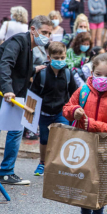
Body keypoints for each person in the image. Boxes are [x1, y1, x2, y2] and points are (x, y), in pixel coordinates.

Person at [0, 15, 53, 185]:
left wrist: (33, 70)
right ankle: (6, 172)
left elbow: (18, 69)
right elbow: (6, 64)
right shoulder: (19, 40)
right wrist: (8, 91)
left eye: (49, 33)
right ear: (33, 29)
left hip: (2, 89)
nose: (47, 37)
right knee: (14, 128)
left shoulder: (28, 44)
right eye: (44, 32)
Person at [63, 52, 107, 214]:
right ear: (91, 72)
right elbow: (67, 108)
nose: (102, 79)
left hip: (104, 147)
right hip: (82, 144)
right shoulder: (82, 91)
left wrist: (92, 125)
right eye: (98, 74)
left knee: (100, 184)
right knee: (84, 182)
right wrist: (73, 111)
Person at [30, 42, 77, 176]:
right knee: (44, 139)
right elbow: (33, 94)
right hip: (44, 113)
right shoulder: (42, 74)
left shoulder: (68, 73)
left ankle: (59, 163)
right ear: (49, 57)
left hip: (61, 112)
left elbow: (74, 93)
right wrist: (31, 113)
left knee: (62, 137)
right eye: (56, 58)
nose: (60, 61)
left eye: (62, 58)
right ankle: (42, 163)